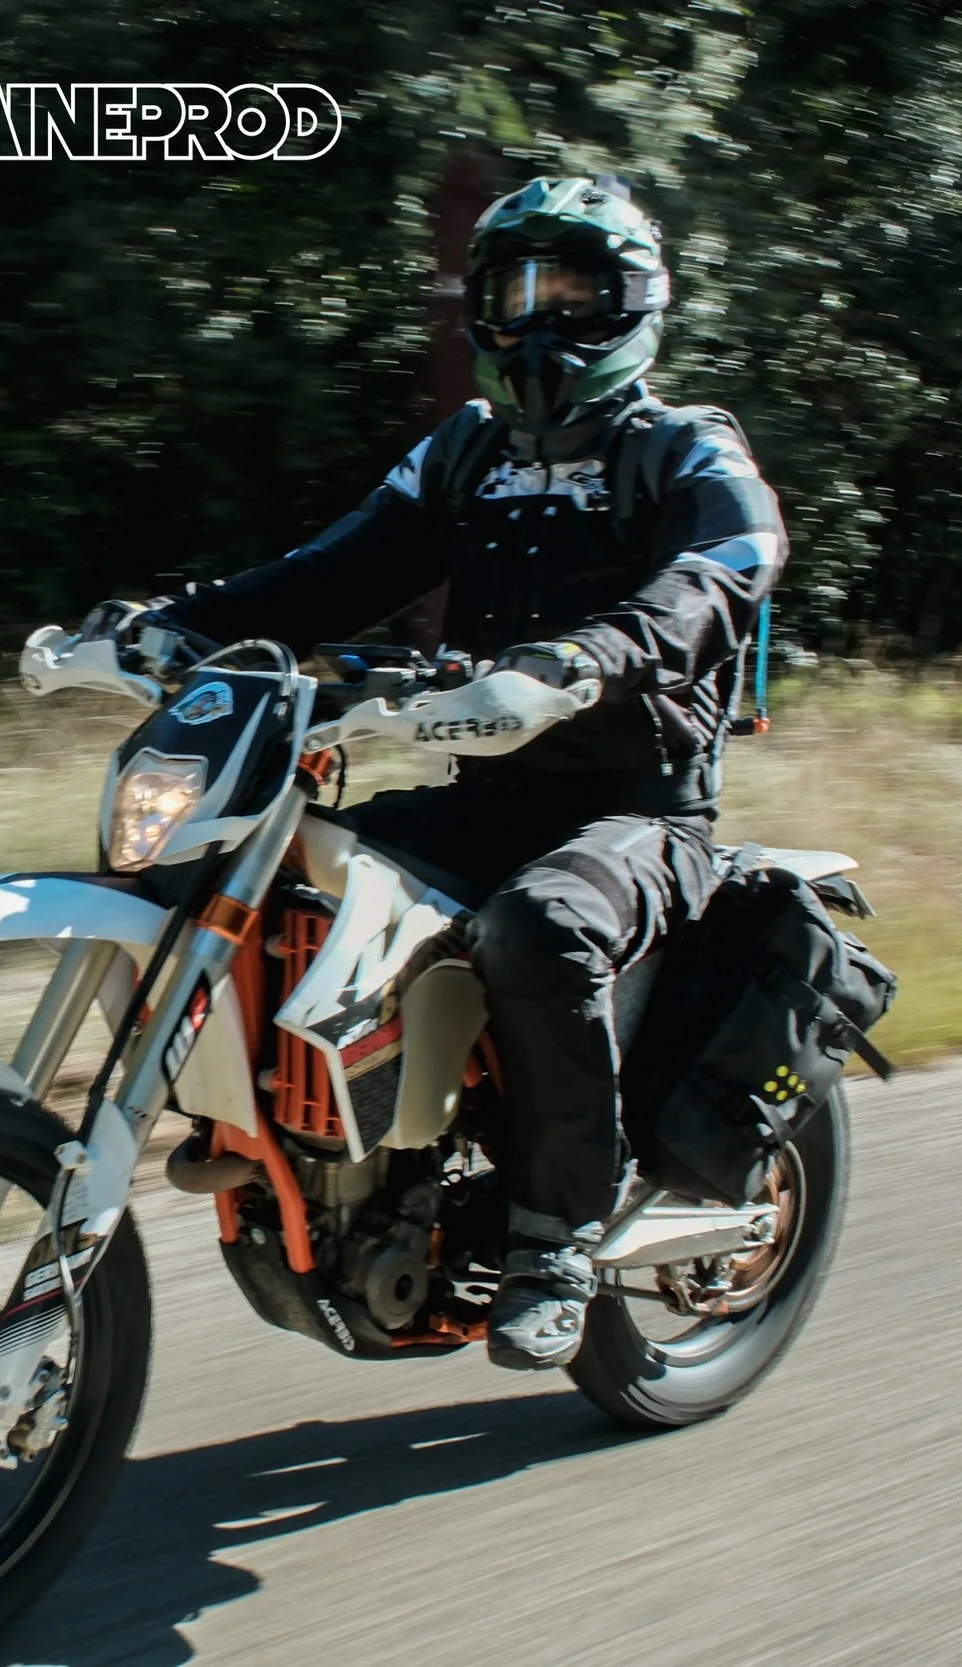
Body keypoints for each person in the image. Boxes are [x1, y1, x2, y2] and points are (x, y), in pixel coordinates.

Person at [90, 176, 786, 1369]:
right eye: (510, 292)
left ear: (629, 304)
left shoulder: (682, 445)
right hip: (475, 790)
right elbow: (329, 571)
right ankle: (303, 1134)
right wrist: (170, 624)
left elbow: (730, 558)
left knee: (537, 928)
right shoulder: (466, 450)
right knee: (265, 866)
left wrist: (584, 658)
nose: (533, 320)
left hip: (632, 812)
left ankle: (553, 1234)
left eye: (566, 291)